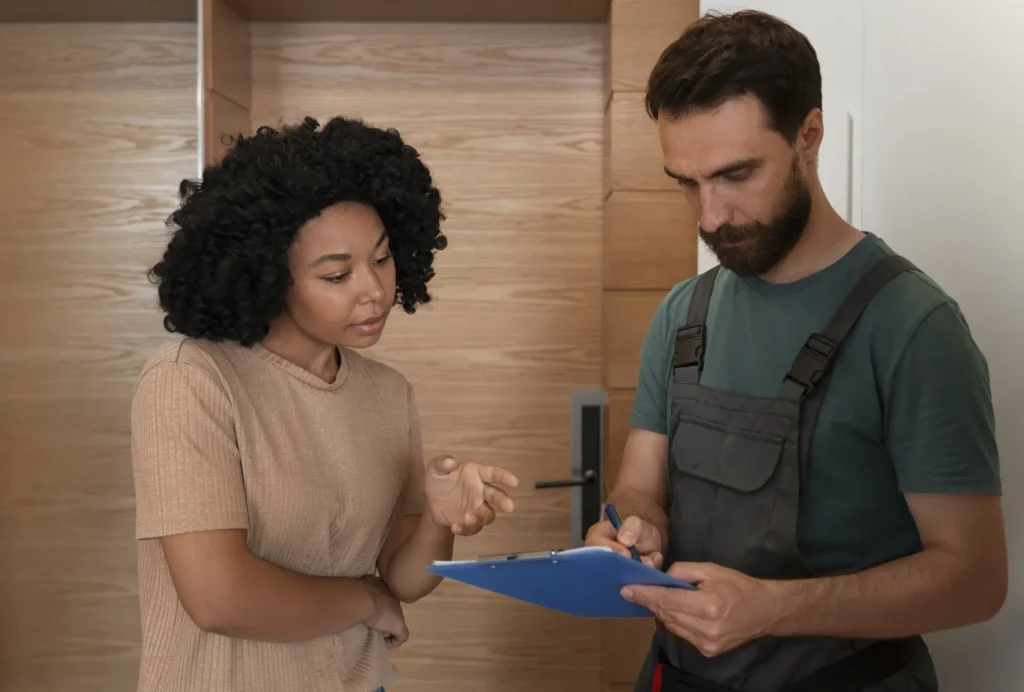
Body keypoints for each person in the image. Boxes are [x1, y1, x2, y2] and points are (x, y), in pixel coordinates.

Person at [586, 10, 1007, 692]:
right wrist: (634, 529)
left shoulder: (912, 326)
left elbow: (975, 579)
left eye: (734, 174)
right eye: (685, 183)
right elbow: (641, 484)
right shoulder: (681, 314)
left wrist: (772, 610)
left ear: (808, 135)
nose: (709, 216)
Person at [129, 115, 519, 692]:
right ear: (267, 277)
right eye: (337, 275)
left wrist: (440, 522)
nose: (376, 290)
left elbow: (404, 578)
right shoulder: (190, 381)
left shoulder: (386, 392)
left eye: (382, 259)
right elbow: (218, 598)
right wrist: (364, 600)